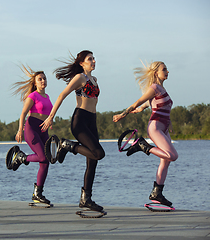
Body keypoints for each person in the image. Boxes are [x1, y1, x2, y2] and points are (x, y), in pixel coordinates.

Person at [40, 50, 105, 212]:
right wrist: (51, 116)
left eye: (94, 58)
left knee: (93, 162)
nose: (93, 61)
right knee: (99, 153)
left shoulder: (94, 80)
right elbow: (62, 95)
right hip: (80, 121)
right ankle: (67, 145)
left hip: (92, 122)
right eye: (90, 59)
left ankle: (86, 199)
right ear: (82, 63)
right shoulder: (80, 78)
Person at [113, 61, 178, 207]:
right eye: (164, 69)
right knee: (173, 156)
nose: (167, 72)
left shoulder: (161, 89)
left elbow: (153, 103)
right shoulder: (154, 87)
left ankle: (157, 193)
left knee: (165, 161)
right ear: (156, 72)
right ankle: (143, 146)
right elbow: (138, 101)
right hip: (155, 127)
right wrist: (123, 114)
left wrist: (169, 122)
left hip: (164, 128)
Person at [6, 65, 53, 206]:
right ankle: (22, 157)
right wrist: (20, 129)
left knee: (46, 161)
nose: (43, 81)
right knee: (43, 156)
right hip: (31, 128)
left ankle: (38, 194)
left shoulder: (48, 96)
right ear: (35, 83)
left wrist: (50, 121)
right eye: (40, 79)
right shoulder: (33, 96)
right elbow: (23, 113)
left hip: (43, 130)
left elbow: (47, 113)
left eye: (44, 78)